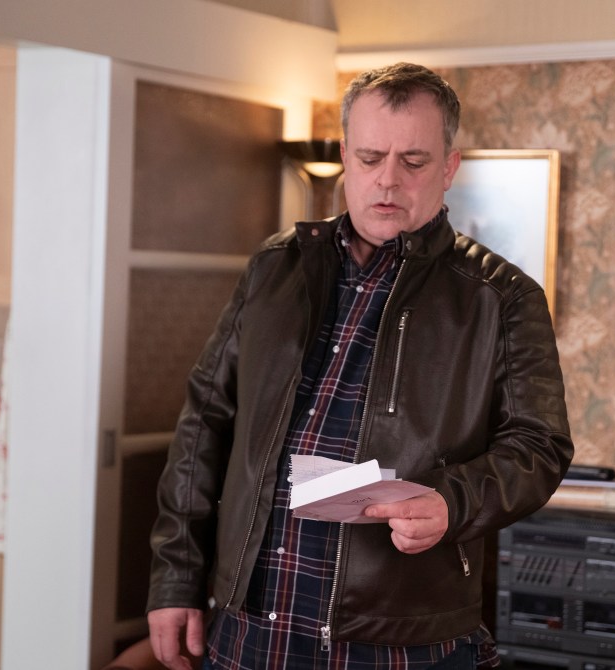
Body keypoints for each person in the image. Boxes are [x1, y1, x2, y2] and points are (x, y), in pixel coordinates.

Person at [145, 62, 573, 670]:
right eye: (370, 158)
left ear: (449, 167)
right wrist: (175, 578)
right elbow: (204, 423)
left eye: (414, 162)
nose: (388, 182)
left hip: (404, 641)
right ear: (346, 155)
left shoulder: (504, 297)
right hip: (249, 627)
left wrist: (452, 500)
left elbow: (540, 446)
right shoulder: (274, 268)